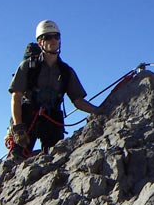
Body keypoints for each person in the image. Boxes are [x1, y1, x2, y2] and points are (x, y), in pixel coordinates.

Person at [8, 20, 101, 158]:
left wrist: (99, 111)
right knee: (17, 158)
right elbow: (16, 97)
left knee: (57, 157)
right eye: (48, 37)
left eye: (56, 36)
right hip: (28, 116)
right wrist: (18, 127)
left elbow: (79, 101)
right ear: (40, 42)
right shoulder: (28, 66)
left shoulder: (65, 71)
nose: (53, 40)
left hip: (52, 119)